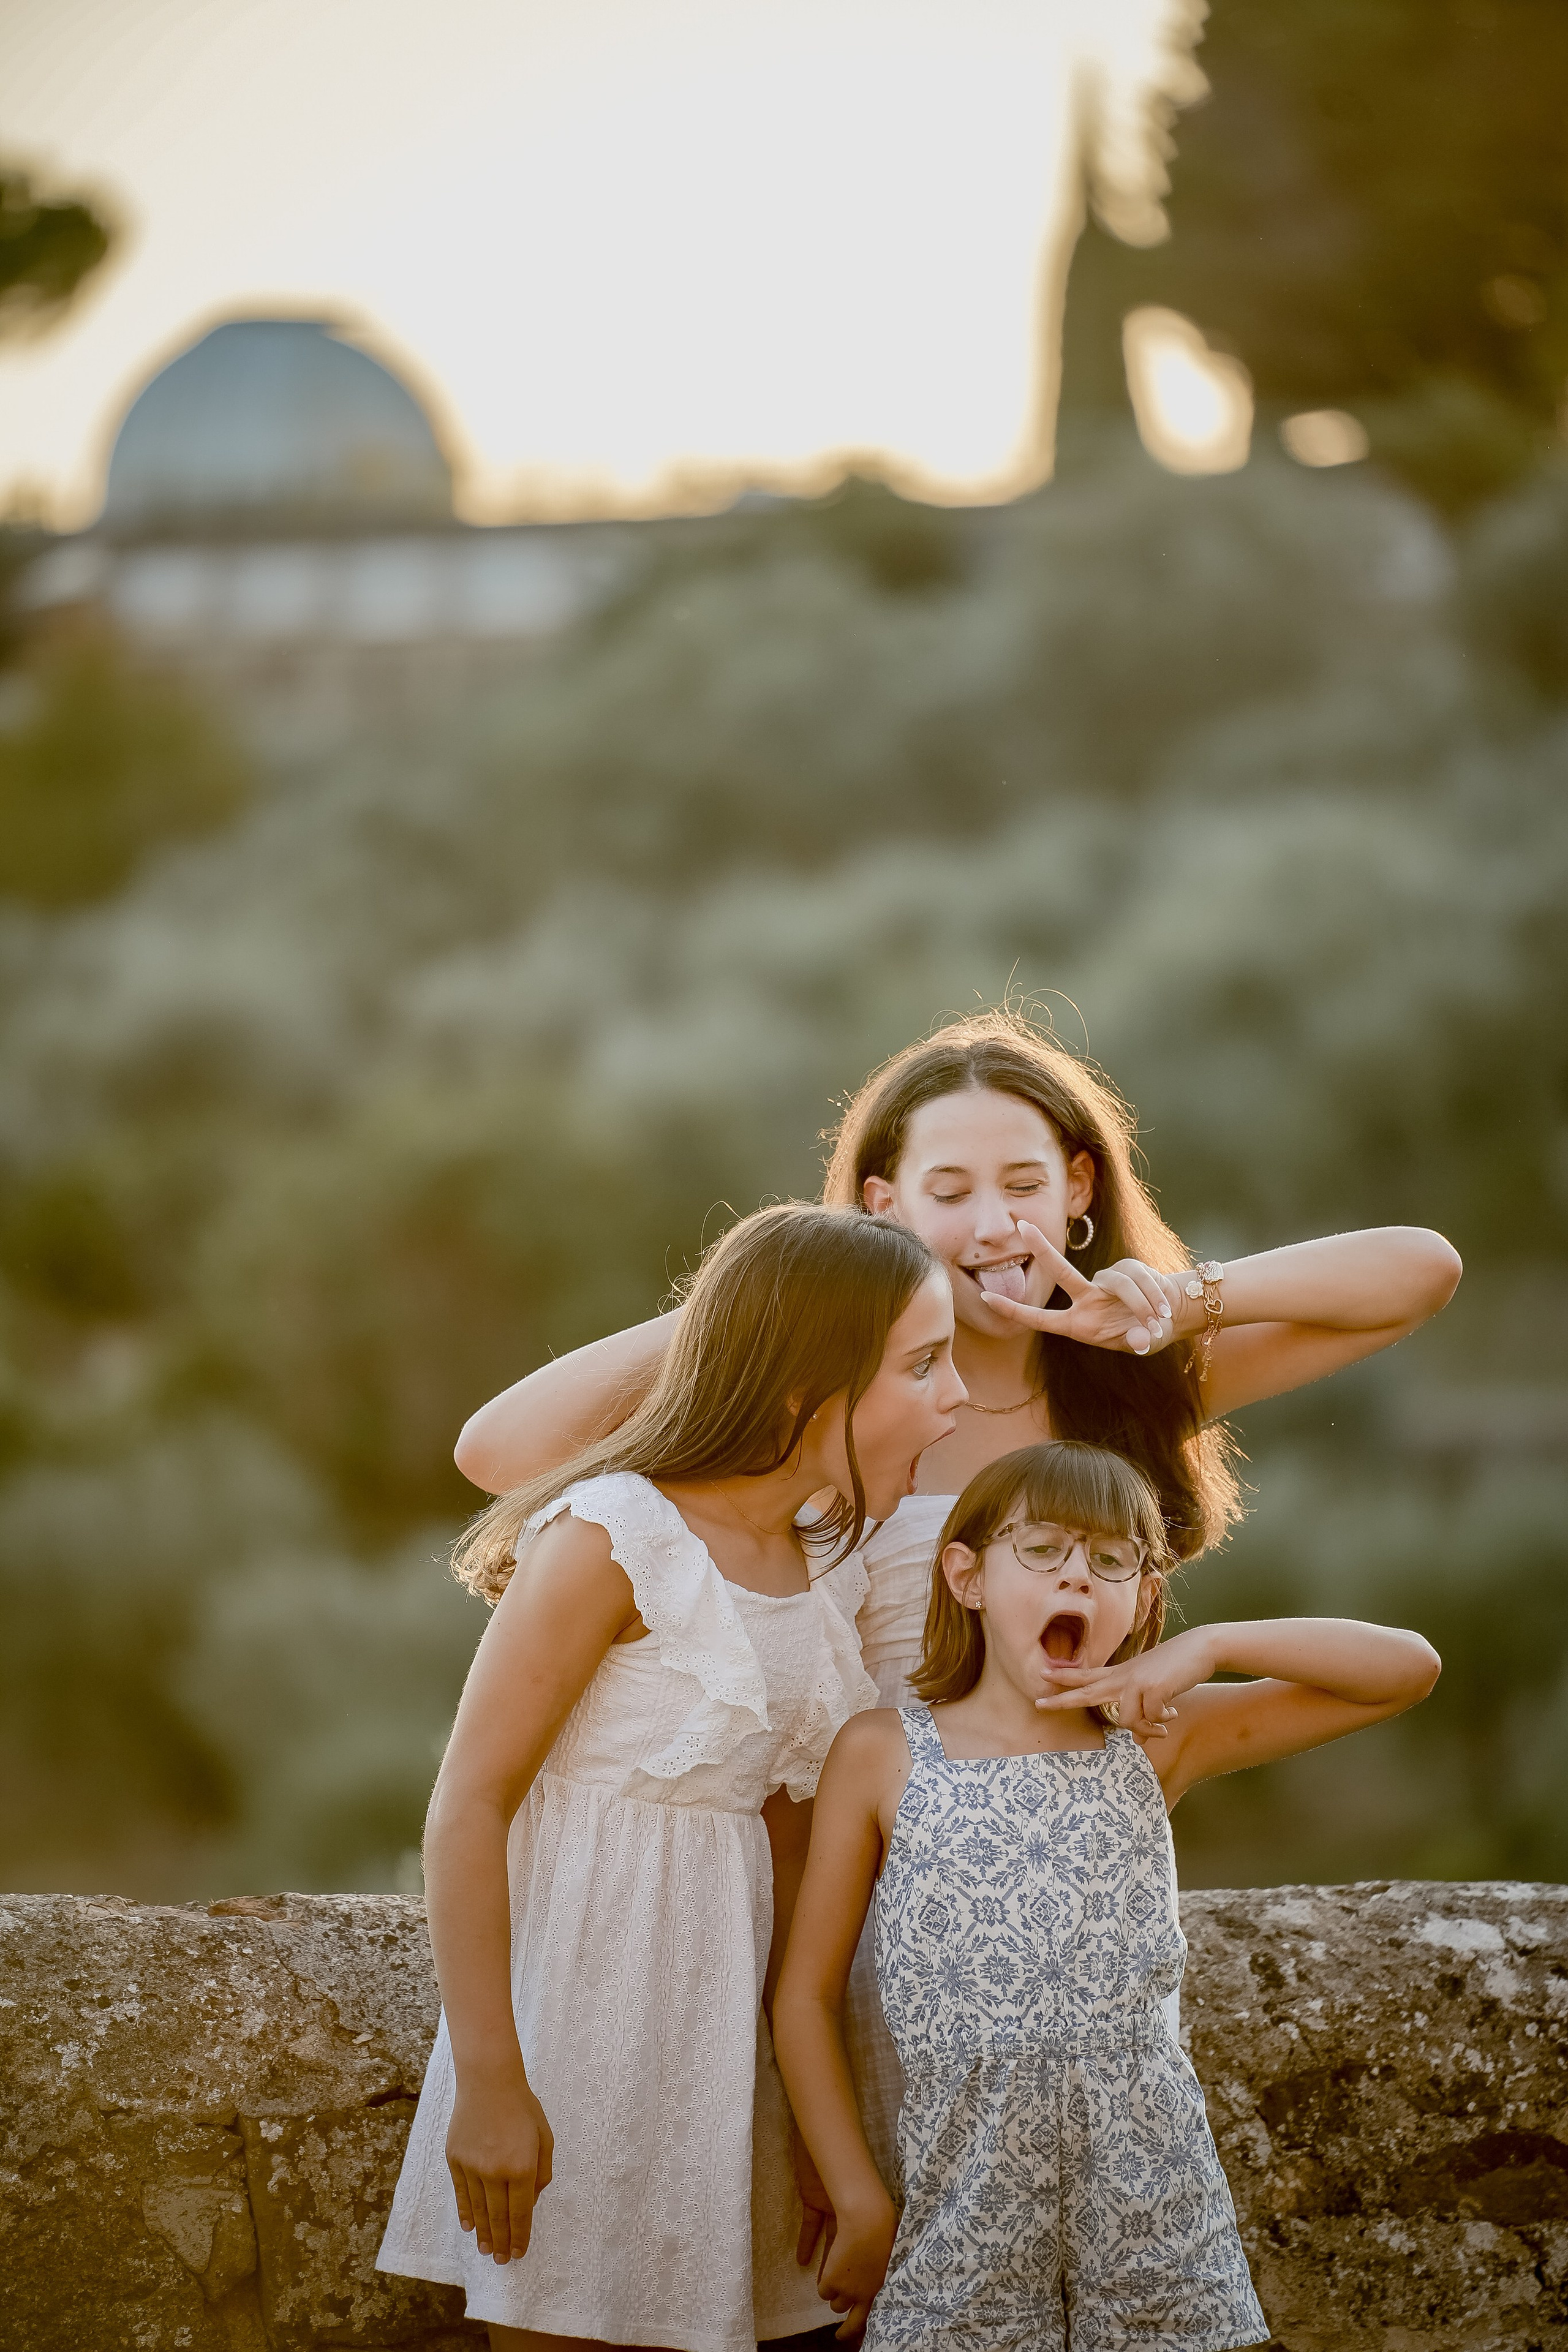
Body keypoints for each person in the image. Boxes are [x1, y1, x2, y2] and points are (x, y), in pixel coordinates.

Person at [449, 1009, 1462, 2178]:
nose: (994, 1225)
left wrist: (1178, 1304)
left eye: (1025, 1185)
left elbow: (1419, 1273)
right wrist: (778, 1298)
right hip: (818, 1890)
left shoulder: (1127, 1393)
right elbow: (498, 1450)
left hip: (1023, 1896)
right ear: (884, 1206)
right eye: (949, 1193)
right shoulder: (831, 1411)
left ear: (1080, 1188)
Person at [377, 1202, 966, 2351]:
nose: (955, 1399)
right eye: (923, 1365)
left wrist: (811, 2130)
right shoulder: (615, 1536)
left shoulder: (819, 1568)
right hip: (575, 2032)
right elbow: (469, 1806)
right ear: (806, 1392)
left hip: (720, 2061)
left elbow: (791, 1857)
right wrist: (492, 2081)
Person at [771, 1439, 1441, 2348]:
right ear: (967, 1577)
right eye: (1041, 1549)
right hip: (963, 2206)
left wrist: (1211, 1645)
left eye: (1111, 1560)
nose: (1076, 1577)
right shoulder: (881, 1753)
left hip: (1155, 2204)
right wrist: (859, 2200)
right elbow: (805, 1999)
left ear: (1143, 1600)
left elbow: (1408, 1668)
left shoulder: (1160, 1741)